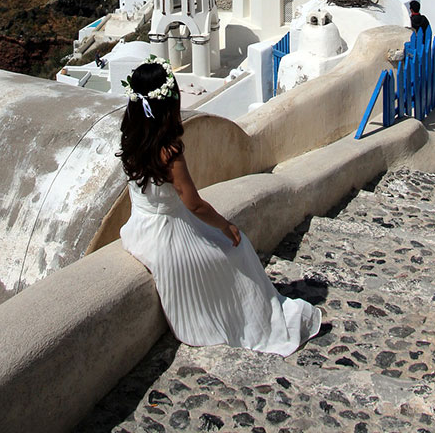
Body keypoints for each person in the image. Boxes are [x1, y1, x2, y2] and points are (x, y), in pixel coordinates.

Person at [117, 56, 322, 356]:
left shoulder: (131, 141)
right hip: (168, 237)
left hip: (139, 230)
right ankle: (254, 320)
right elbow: (194, 204)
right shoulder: (169, 152)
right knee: (237, 250)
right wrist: (226, 225)